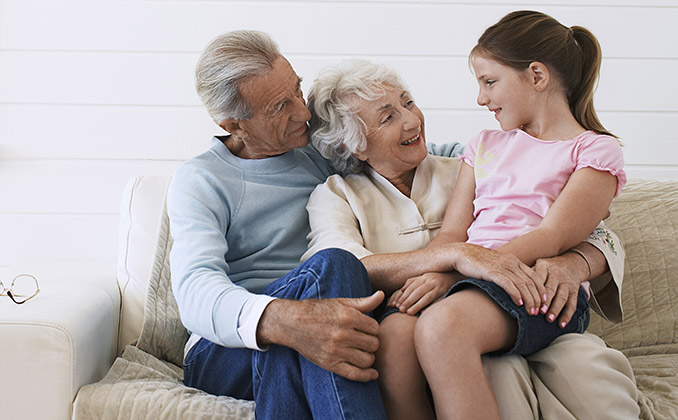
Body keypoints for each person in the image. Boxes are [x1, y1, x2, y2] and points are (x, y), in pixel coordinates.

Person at [304, 56, 639, 419]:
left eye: (408, 102)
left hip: (504, 301)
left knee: (551, 365)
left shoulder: (471, 163)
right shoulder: (336, 195)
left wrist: (574, 263)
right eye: (388, 117)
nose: (412, 120)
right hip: (429, 313)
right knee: (395, 340)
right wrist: (449, 260)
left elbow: (591, 229)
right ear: (353, 147)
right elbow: (342, 269)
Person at [168, 30, 389, 420]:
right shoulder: (201, 180)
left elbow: (407, 155)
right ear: (235, 125)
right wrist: (286, 321)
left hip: (315, 330)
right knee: (334, 264)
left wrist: (496, 152)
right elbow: (196, 290)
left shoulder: (315, 147)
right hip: (223, 352)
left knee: (300, 343)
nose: (303, 112)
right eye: (279, 107)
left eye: (297, 90)